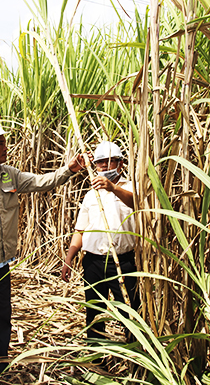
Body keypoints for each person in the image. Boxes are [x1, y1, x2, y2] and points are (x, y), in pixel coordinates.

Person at [0, 119, 89, 379]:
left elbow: (41, 182)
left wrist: (69, 169)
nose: (5, 147)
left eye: (4, 142)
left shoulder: (10, 175)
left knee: (1, 320)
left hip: (1, 266)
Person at [61, 141, 139, 340]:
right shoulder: (90, 195)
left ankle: (135, 357)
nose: (104, 167)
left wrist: (113, 188)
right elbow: (80, 231)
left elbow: (137, 204)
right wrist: (69, 259)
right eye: (100, 163)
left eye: (109, 162)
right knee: (94, 312)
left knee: (130, 310)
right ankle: (96, 358)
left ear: (120, 164)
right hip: (94, 262)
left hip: (123, 262)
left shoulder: (131, 187)